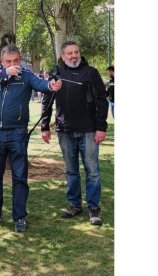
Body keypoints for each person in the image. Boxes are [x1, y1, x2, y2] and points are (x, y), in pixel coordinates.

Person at [0, 44, 62, 232]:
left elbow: (42, 84)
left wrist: (51, 85)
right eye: (8, 61)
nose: (13, 64)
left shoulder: (26, 75)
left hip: (17, 133)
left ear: (20, 59)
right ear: (2, 61)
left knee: (19, 177)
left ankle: (20, 217)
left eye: (16, 61)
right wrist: (4, 72)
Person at [40, 41, 108, 226]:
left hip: (89, 130)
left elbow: (102, 101)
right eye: (69, 53)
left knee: (92, 171)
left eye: (76, 52)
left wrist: (101, 127)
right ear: (62, 56)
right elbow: (47, 101)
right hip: (65, 131)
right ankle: (74, 205)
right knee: (71, 171)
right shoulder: (56, 74)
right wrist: (44, 126)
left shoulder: (91, 73)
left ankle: (94, 208)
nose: (73, 56)